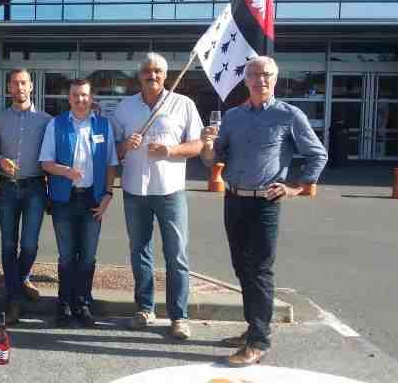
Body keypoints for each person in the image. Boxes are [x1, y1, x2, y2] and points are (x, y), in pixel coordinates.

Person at [200, 56, 327, 366]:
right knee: (241, 268)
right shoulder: (232, 117)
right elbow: (213, 158)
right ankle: (252, 328)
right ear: (246, 80)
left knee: (259, 270)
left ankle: (259, 341)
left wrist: (296, 187)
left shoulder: (289, 115)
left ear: (275, 79)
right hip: (234, 200)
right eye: (255, 74)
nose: (261, 80)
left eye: (267, 75)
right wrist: (207, 145)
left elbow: (317, 155)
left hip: (265, 203)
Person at [112, 53, 204, 340]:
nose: (152, 76)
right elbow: (111, 151)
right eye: (147, 72)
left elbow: (199, 144)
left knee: (176, 254)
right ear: (139, 76)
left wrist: (171, 151)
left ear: (165, 76)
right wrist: (124, 145)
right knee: (139, 252)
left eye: (158, 72)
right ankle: (145, 308)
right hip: (134, 190)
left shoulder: (183, 104)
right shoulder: (125, 108)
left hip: (170, 190)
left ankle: (179, 316)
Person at [39, 79, 118, 328]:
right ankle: (64, 305)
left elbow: (110, 164)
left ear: (91, 97)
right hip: (65, 198)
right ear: (69, 98)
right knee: (66, 257)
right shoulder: (57, 124)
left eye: (84, 95)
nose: (80, 100)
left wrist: (108, 195)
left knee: (87, 256)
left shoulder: (104, 126)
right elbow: (45, 163)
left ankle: (83, 305)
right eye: (75, 95)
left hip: (92, 199)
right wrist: (65, 171)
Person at [0, 69, 52, 325]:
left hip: (35, 186)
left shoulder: (46, 120)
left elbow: (52, 155)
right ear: (9, 88)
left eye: (23, 82)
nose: (19, 87)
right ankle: (13, 298)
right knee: (8, 245)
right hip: (7, 188)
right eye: (15, 83)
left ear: (31, 87)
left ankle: (22, 278)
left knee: (29, 245)